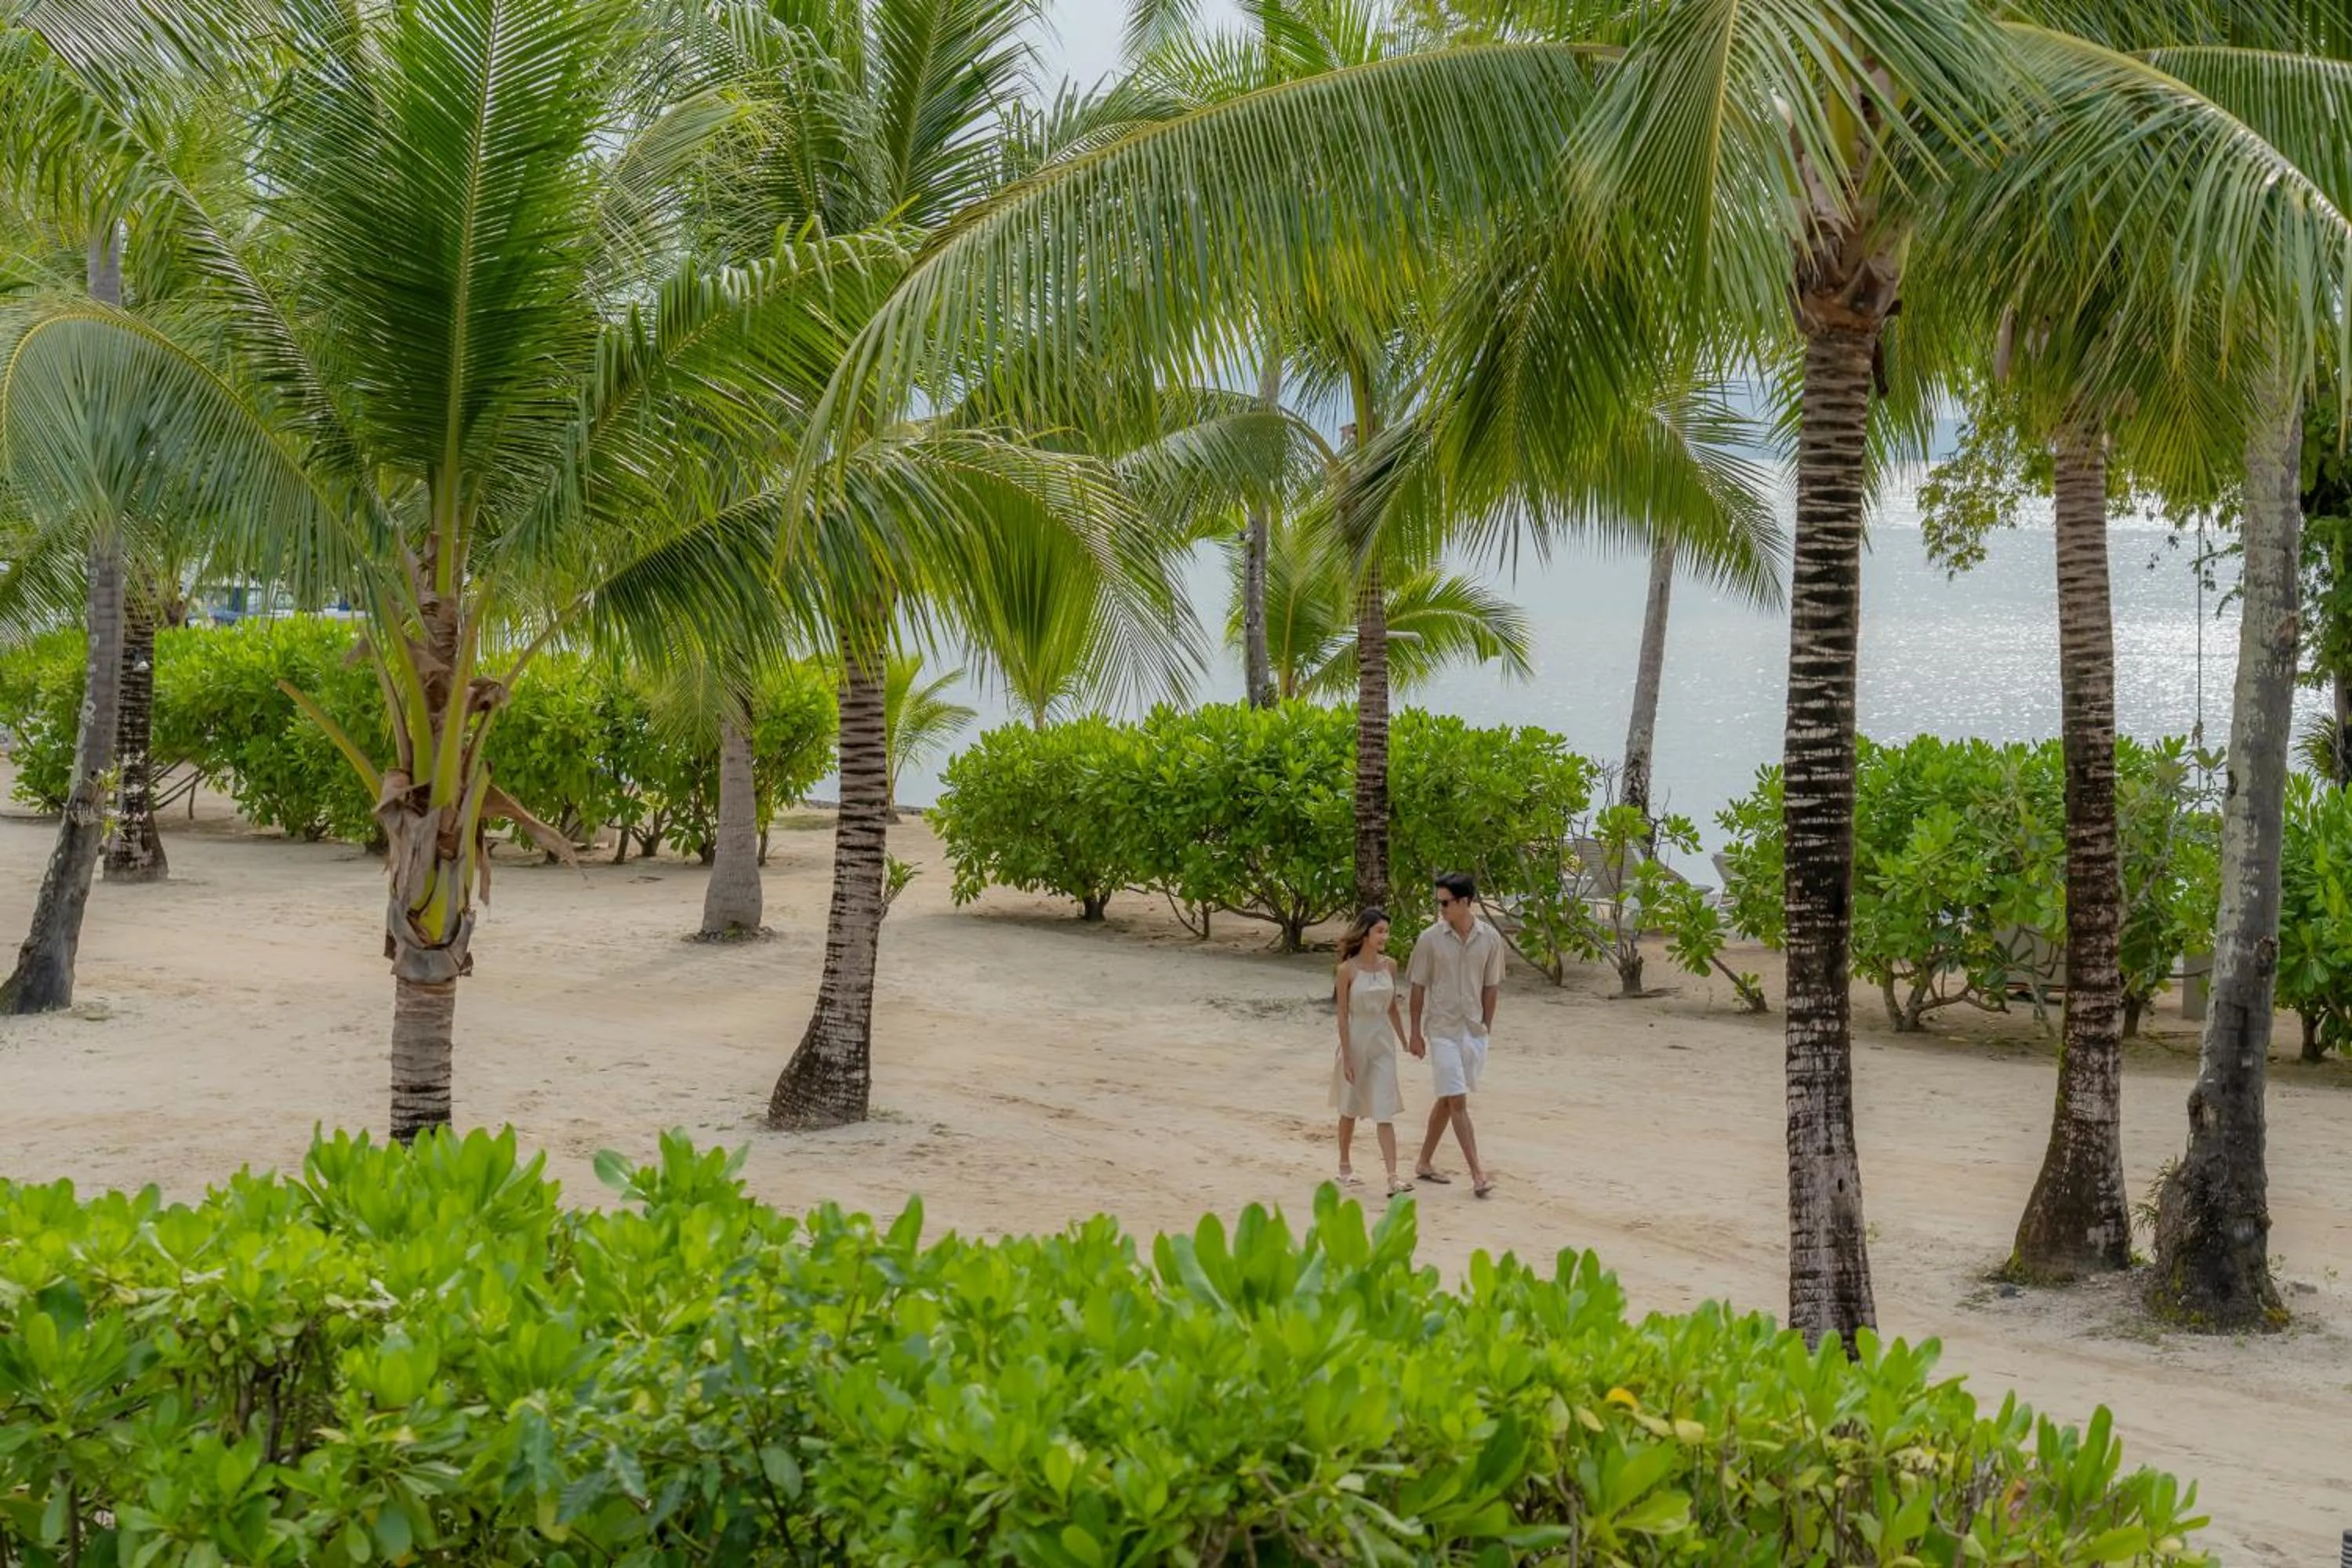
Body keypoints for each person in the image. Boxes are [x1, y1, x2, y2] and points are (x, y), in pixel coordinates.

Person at [1406, 871, 1504, 1198]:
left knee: (1448, 1099)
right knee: (1457, 1100)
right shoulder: (1429, 939)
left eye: (1446, 902)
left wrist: (1486, 1028)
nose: (1441, 908)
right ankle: (1478, 1175)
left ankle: (1423, 1162)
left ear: (1465, 902)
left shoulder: (1490, 939)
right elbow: (1417, 987)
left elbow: (1492, 986)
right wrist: (1416, 1033)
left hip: (1473, 1030)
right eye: (1439, 902)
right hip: (1442, 1029)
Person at [1330, 907, 1412, 1196]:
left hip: (1383, 1041)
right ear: (1365, 933)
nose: (1384, 937)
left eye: (1386, 931)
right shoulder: (1347, 970)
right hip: (1356, 1038)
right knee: (1350, 1106)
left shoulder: (1390, 965)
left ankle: (1393, 1177)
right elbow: (1342, 1015)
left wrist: (1404, 1040)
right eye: (1379, 931)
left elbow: (1392, 1007)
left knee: (1384, 1108)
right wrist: (1348, 1057)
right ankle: (1344, 1166)